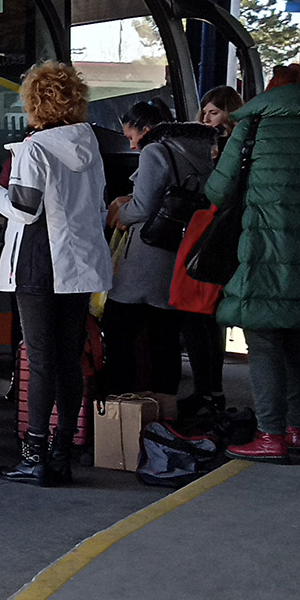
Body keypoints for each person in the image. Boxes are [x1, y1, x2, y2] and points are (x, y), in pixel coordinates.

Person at [210, 63, 300, 463]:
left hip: (265, 249)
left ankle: (270, 434)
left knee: (265, 338)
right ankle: (295, 430)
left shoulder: (253, 128)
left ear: (273, 92)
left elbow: (219, 190)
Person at [0, 62, 112, 486]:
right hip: (79, 264)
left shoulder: (33, 148)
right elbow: (98, 208)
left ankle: (32, 454)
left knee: (38, 359)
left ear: (34, 102)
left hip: (39, 262)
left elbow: (24, 209)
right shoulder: (89, 144)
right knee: (67, 359)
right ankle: (61, 451)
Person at [103, 99, 215, 397]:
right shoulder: (201, 150)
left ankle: (121, 406)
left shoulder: (155, 151)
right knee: (165, 342)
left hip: (146, 258)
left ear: (148, 130)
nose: (132, 146)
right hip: (178, 255)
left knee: (117, 331)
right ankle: (165, 412)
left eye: (131, 137)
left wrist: (119, 213)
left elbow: (142, 208)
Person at [179, 84, 245, 419]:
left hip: (216, 238)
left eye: (214, 112)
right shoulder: (220, 144)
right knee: (205, 318)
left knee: (199, 314)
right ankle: (209, 389)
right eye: (204, 112)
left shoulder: (229, 148)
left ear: (230, 114)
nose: (206, 119)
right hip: (216, 236)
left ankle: (208, 391)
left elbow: (216, 191)